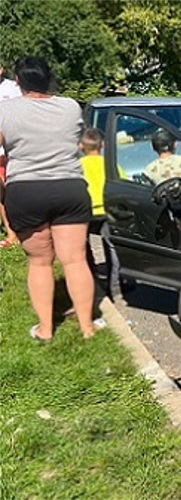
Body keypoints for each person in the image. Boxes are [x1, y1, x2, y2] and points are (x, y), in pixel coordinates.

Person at [0, 57, 97, 340]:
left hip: (26, 191)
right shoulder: (70, 106)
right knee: (75, 260)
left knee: (40, 262)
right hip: (69, 187)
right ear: (49, 77)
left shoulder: (4, 110)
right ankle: (87, 327)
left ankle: (45, 329)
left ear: (17, 81)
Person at [79, 127, 123, 300]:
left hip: (86, 212)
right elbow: (120, 187)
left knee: (84, 248)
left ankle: (92, 281)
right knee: (111, 248)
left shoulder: (78, 166)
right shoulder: (111, 165)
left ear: (81, 146)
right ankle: (115, 286)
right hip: (107, 211)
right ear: (103, 145)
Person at [0, 63, 22, 247]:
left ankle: (24, 230)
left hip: (13, 149)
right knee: (1, 193)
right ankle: (11, 234)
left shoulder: (13, 88)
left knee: (15, 189)